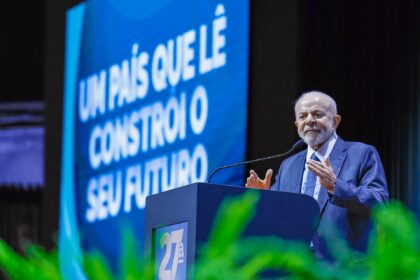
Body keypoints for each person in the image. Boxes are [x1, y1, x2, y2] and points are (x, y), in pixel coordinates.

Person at [245, 91, 388, 259]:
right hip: (297, 267)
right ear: (296, 124)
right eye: (303, 116)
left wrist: (336, 187)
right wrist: (265, 199)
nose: (309, 121)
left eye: (318, 114)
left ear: (335, 121)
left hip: (345, 267)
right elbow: (280, 219)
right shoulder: (288, 165)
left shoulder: (361, 154)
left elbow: (379, 202)